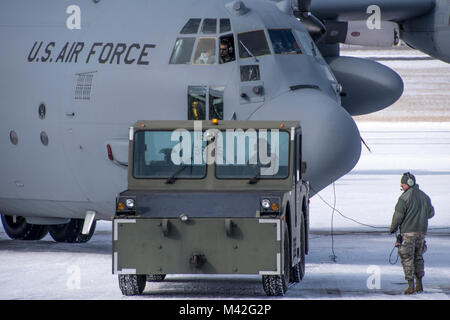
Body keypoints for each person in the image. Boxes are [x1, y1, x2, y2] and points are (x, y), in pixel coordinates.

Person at [390, 172, 434, 294]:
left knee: (407, 258)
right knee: (418, 257)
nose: (401, 185)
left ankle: (411, 286)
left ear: (408, 183)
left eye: (403, 183)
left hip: (408, 233)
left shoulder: (404, 198)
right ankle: (419, 284)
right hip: (421, 233)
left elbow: (398, 216)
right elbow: (431, 213)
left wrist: (392, 228)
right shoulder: (425, 196)